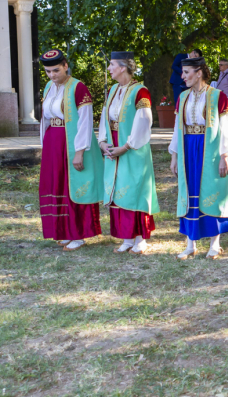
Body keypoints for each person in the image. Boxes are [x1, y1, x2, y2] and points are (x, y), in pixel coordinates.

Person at [168, 57, 228, 260]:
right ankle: (190, 243)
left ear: (198, 73)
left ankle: (215, 244)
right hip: (188, 147)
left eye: (186, 72)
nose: (182, 76)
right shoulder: (182, 97)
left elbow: (226, 128)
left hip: (210, 149)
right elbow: (177, 128)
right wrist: (174, 155)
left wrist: (224, 156)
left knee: (212, 190)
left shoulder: (218, 96)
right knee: (189, 191)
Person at [37, 50, 104, 250]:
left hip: (70, 142)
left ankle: (78, 234)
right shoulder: (49, 87)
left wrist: (79, 151)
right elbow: (45, 119)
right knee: (56, 184)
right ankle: (63, 231)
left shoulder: (78, 87)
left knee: (72, 185)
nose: (52, 75)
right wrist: (45, 145)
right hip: (53, 141)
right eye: (48, 71)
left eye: (56, 70)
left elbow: (85, 122)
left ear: (66, 66)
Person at [98, 52, 159, 255]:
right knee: (117, 190)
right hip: (113, 145)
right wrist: (102, 142)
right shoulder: (113, 90)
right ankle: (127, 238)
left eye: (112, 64)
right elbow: (105, 117)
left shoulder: (140, 91)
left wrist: (125, 147)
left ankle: (140, 239)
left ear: (123, 67)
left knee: (134, 190)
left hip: (133, 148)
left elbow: (144, 122)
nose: (109, 68)